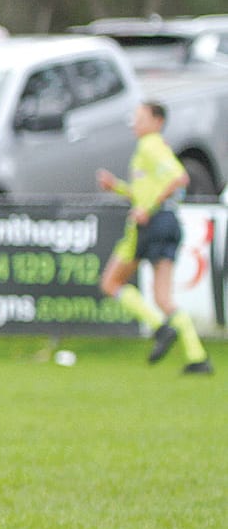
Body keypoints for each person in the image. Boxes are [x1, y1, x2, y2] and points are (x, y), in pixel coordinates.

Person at [98, 101, 213, 374]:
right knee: (164, 298)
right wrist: (117, 187)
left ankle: (161, 328)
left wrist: (147, 209)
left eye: (140, 118)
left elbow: (179, 178)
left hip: (155, 223)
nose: (134, 123)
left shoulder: (150, 146)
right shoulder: (152, 148)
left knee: (111, 281)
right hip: (168, 221)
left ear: (156, 121)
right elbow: (148, 191)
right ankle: (197, 357)